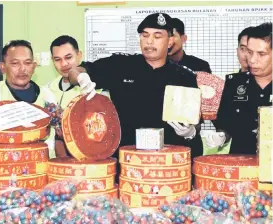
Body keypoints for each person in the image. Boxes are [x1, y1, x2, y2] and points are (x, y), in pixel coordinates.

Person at [68, 13, 203, 158]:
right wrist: (81, 77)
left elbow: (195, 122)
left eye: (157, 37)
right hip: (125, 160)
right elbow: (75, 71)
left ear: (170, 41)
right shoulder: (120, 65)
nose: (149, 42)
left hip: (166, 164)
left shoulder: (185, 77)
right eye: (144, 35)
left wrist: (190, 132)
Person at [206, 23, 272, 154]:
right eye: (249, 52)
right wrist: (222, 136)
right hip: (240, 163)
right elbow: (225, 125)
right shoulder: (234, 83)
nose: (252, 60)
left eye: (261, 54)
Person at [40, 35, 108, 157]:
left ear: (79, 55)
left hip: (86, 161)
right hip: (52, 164)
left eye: (68, 57)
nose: (64, 63)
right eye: (57, 59)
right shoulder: (46, 90)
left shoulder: (96, 91)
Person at [0, 40, 39, 108]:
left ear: (34, 67)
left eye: (27, 63)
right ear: (3, 67)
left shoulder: (47, 96)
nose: (22, 69)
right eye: (15, 63)